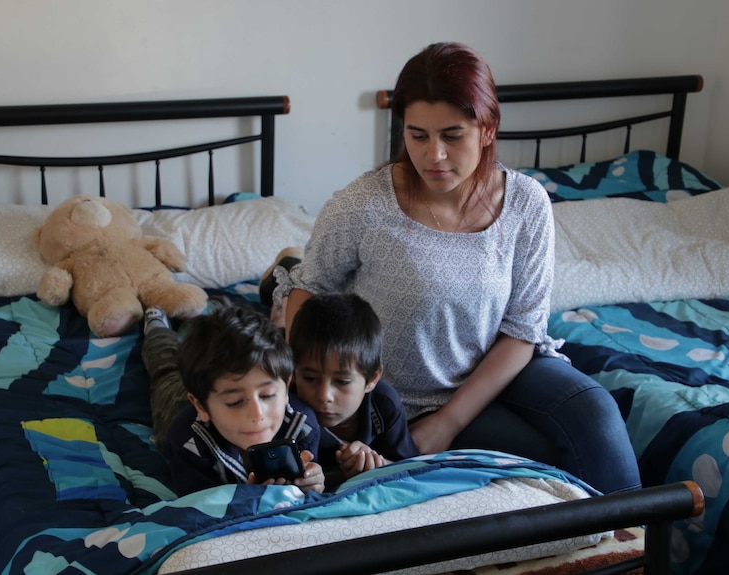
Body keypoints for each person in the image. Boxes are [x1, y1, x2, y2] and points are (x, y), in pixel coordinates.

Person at [275, 42, 641, 494]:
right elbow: (308, 291)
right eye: (417, 135)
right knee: (541, 465)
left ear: (487, 129)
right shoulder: (363, 205)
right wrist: (321, 396)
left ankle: (632, 549)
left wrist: (448, 423)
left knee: (596, 413)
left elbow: (523, 329)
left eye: (452, 135)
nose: (434, 155)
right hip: (392, 396)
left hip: (498, 370)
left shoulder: (527, 203)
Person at [140, 297, 325, 496]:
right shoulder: (185, 443)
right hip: (180, 403)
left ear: (287, 387)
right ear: (200, 406)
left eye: (267, 395)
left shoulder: (304, 426)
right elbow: (202, 506)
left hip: (213, 386)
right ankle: (157, 329)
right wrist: (248, 497)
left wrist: (314, 482)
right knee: (165, 368)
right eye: (235, 402)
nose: (257, 414)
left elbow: (312, 484)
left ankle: (211, 311)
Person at [287, 292, 418, 487]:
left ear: (371, 379)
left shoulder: (383, 404)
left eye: (342, 381)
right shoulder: (286, 410)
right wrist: (310, 482)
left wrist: (379, 466)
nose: (325, 395)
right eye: (310, 378)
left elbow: (410, 467)